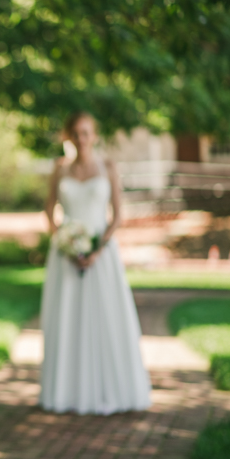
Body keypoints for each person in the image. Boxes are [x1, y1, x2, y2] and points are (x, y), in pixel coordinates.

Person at [39, 111, 151, 415]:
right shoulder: (59, 169)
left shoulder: (109, 167)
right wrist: (63, 242)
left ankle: (109, 390)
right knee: (67, 319)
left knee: (107, 318)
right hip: (66, 256)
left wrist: (97, 250)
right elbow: (49, 212)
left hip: (102, 256)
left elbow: (117, 217)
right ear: (68, 136)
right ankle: (66, 392)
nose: (81, 138)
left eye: (86, 132)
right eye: (75, 133)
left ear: (94, 135)